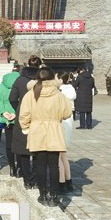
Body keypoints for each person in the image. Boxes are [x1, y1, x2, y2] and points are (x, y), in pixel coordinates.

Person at [19, 66, 72, 207]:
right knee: (54, 165)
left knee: (40, 165)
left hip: (37, 131)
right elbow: (67, 113)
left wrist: (26, 128)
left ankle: (42, 194)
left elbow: (24, 115)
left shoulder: (31, 94)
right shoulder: (58, 94)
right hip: (54, 131)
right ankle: (54, 196)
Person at [9, 55, 42, 189]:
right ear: (40, 65)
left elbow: (12, 98)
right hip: (40, 116)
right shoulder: (43, 79)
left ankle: (27, 179)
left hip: (22, 115)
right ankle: (36, 179)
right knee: (38, 150)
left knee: (23, 149)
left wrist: (19, 108)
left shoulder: (20, 80)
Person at [0, 65, 21, 177]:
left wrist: (4, 112)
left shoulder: (3, 84)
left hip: (6, 118)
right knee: (20, 143)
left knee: (9, 144)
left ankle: (12, 167)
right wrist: (16, 113)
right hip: (19, 116)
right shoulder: (21, 83)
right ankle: (19, 167)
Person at [58, 71, 76, 193]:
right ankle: (69, 180)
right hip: (69, 120)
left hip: (60, 122)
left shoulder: (59, 91)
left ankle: (61, 182)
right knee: (63, 154)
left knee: (58, 156)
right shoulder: (71, 89)